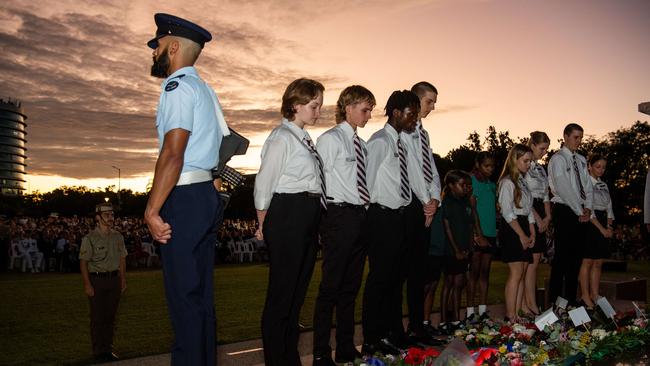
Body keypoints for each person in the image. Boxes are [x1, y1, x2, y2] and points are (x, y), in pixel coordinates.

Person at [145, 13, 225, 366]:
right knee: (201, 299)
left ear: (173, 47)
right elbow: (224, 146)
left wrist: (152, 209)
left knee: (184, 299)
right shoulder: (206, 90)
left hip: (186, 196)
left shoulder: (176, 86)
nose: (154, 52)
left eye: (158, 45)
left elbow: (173, 153)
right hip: (205, 194)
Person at [254, 78, 325, 366]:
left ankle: (290, 357)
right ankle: (276, 359)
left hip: (307, 214)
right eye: (313, 105)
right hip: (287, 214)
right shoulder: (281, 138)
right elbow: (264, 184)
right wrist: (262, 224)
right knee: (281, 297)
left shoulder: (303, 137)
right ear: (295, 105)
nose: (318, 111)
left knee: (296, 297)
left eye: (319, 105)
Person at [311, 85, 375, 366]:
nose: (369, 114)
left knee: (350, 288)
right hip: (338, 217)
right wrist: (322, 225)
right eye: (365, 108)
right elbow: (319, 184)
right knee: (330, 288)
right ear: (347, 107)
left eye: (370, 109)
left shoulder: (361, 145)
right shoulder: (330, 140)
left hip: (361, 217)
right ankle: (321, 352)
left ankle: (346, 347)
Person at [361, 90, 420, 355]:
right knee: (380, 280)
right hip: (381, 216)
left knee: (396, 280)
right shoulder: (380, 142)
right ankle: (373, 338)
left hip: (399, 217)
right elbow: (366, 185)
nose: (414, 120)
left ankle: (394, 332)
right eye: (411, 114)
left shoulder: (401, 143)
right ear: (396, 112)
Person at [401, 81, 441, 343]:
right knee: (407, 272)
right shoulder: (404, 131)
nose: (433, 107)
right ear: (416, 101)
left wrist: (436, 197)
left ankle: (418, 325)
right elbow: (413, 170)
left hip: (426, 204)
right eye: (430, 102)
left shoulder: (423, 133)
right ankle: (406, 328)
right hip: (411, 205)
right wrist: (427, 202)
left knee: (420, 272)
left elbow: (431, 168)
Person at [548, 123, 593, 306]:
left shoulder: (581, 160)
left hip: (581, 211)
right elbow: (563, 187)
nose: (579, 141)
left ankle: (571, 301)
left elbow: (587, 186)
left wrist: (588, 207)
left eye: (581, 137)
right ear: (565, 136)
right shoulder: (558, 159)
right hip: (565, 210)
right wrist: (578, 210)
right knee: (561, 259)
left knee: (576, 260)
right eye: (576, 137)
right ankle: (555, 303)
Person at [79, 203, 127, 362]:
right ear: (97, 218)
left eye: (112, 215)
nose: (111, 218)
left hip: (114, 280)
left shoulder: (118, 236)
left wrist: (122, 280)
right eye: (107, 215)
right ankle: (98, 352)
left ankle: (108, 350)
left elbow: (122, 259)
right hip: (97, 280)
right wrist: (87, 284)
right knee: (97, 318)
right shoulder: (90, 238)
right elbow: (83, 262)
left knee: (110, 318)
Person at [498, 144, 536, 322]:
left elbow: (528, 209)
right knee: (516, 272)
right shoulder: (507, 182)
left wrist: (532, 230)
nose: (529, 164)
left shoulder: (523, 181)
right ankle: (510, 315)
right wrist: (521, 234)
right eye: (525, 160)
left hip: (522, 225)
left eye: (530, 161)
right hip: (512, 227)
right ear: (515, 160)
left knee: (523, 271)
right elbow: (507, 212)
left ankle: (518, 313)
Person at [438, 170, 473, 330]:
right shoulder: (448, 202)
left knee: (459, 283)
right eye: (462, 185)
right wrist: (456, 249)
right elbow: (447, 227)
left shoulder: (465, 201)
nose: (466, 188)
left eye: (467, 185)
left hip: (464, 249)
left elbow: (468, 225)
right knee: (450, 283)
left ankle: (456, 319)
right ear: (451, 185)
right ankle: (444, 321)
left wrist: (468, 246)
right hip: (451, 250)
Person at [578, 154, 614, 308]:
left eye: (604, 167)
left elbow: (609, 207)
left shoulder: (604, 185)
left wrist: (609, 226)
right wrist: (601, 229)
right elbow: (588, 209)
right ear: (589, 166)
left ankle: (595, 294)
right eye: (598, 166)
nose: (601, 170)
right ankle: (585, 295)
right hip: (590, 223)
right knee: (587, 261)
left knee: (598, 262)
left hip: (603, 221)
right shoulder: (584, 184)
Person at [523, 131, 551, 315]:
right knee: (530, 262)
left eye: (546, 149)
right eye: (542, 148)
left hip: (542, 210)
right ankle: (528, 304)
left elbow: (547, 194)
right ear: (532, 145)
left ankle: (530, 303)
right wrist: (538, 217)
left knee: (537, 260)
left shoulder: (541, 169)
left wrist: (548, 216)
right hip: (529, 211)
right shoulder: (523, 166)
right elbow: (524, 194)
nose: (544, 152)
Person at [467, 152, 496, 317]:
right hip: (478, 234)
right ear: (478, 164)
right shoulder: (471, 181)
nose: (490, 169)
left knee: (485, 273)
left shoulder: (491, 184)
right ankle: (470, 312)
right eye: (487, 166)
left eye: (492, 166)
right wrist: (478, 234)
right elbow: (472, 209)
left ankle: (483, 311)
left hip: (491, 232)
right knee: (474, 273)